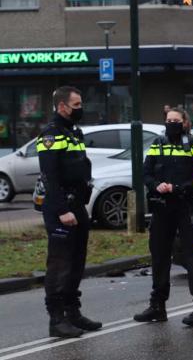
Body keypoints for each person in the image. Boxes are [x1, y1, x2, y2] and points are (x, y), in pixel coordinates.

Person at [134, 108, 193, 326]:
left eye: (175, 120)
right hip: (162, 207)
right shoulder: (158, 143)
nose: (171, 124)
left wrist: (179, 187)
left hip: (188, 207)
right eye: (168, 120)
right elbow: (146, 172)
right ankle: (157, 305)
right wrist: (155, 185)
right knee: (159, 256)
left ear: (185, 122)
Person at [37, 86, 101, 338]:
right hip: (60, 207)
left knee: (77, 262)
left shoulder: (73, 132)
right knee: (60, 265)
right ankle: (57, 319)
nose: (80, 108)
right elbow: (49, 177)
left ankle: (73, 312)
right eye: (76, 105)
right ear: (62, 106)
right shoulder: (50, 135)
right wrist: (62, 209)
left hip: (77, 206)